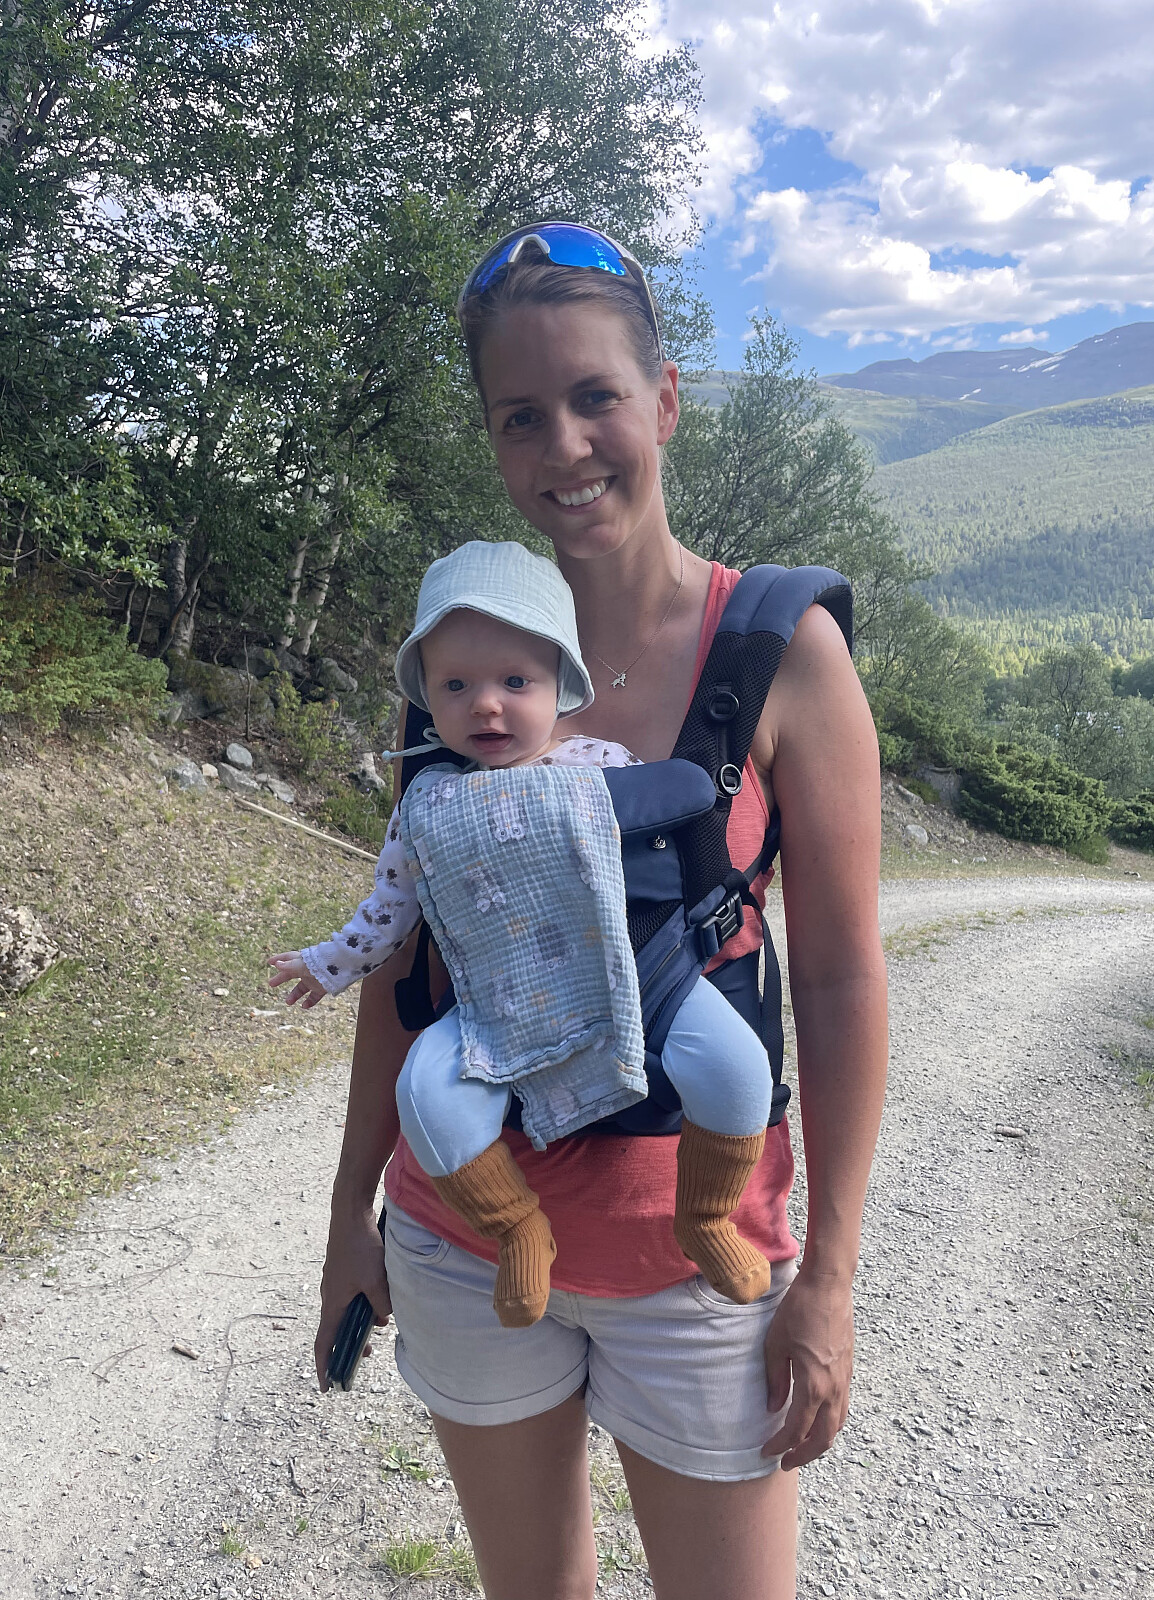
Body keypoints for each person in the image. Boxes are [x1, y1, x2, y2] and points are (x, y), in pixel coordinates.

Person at [315, 222, 888, 1600]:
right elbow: (412, 971)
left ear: (666, 400)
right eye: (521, 415)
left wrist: (829, 1275)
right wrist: (348, 1216)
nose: (564, 447)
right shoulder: (464, 665)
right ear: (494, 441)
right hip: (468, 1245)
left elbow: (839, 982)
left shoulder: (782, 652)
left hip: (697, 1263)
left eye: (595, 398)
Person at [269, 540, 774, 1329]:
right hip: (493, 994)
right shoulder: (427, 804)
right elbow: (388, 910)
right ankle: (516, 1229)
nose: (486, 706)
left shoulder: (603, 766)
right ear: (427, 698)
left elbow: (676, 829)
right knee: (426, 1099)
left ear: (560, 686)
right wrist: (327, 964)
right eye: (457, 685)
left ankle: (706, 1215)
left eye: (515, 682)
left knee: (739, 1068)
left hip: (636, 977)